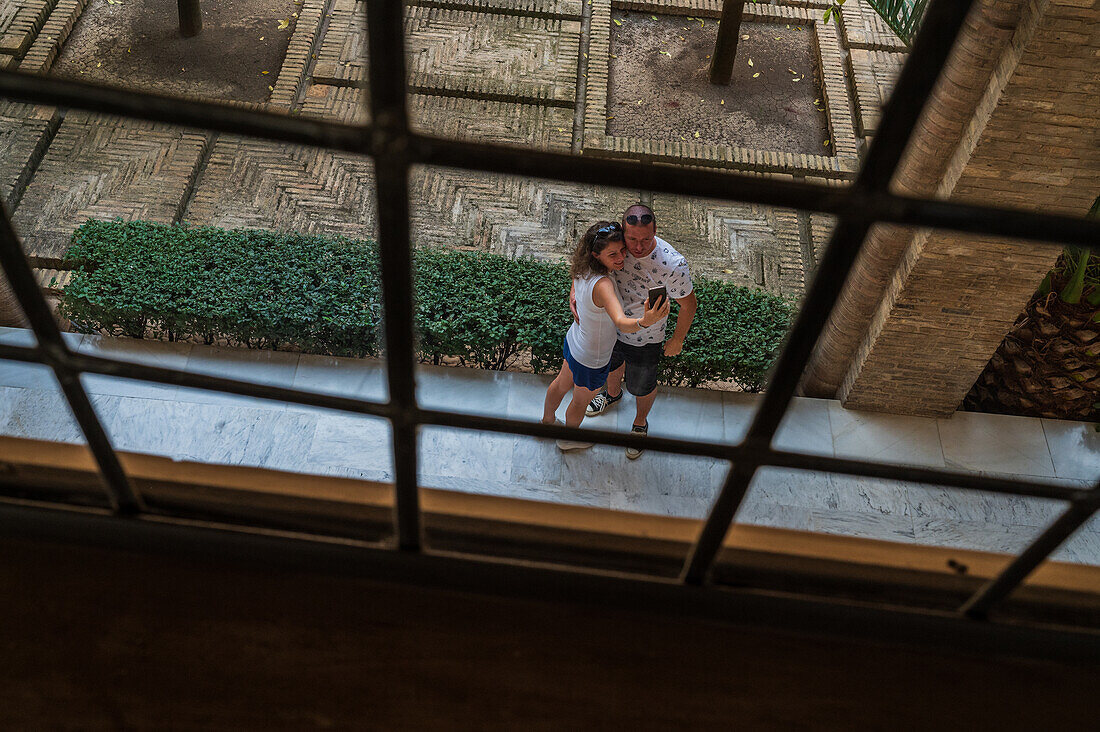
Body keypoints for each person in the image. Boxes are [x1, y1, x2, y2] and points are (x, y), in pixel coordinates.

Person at [575, 204, 697, 459]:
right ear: (622, 230)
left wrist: (677, 340)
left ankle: (640, 423)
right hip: (609, 329)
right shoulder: (615, 245)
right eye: (632, 239)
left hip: (646, 338)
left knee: (642, 386)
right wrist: (574, 291)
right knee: (612, 368)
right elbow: (586, 262)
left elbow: (688, 304)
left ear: (656, 231)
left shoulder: (672, 264)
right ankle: (612, 395)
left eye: (646, 239)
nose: (637, 247)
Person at [544, 221, 671, 452]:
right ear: (596, 254)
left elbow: (576, 276)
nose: (622, 257)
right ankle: (567, 439)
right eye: (613, 254)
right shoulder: (603, 284)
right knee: (580, 401)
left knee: (561, 384)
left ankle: (547, 422)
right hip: (591, 359)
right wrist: (647, 320)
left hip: (574, 341)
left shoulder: (584, 267)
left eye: (622, 250)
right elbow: (621, 321)